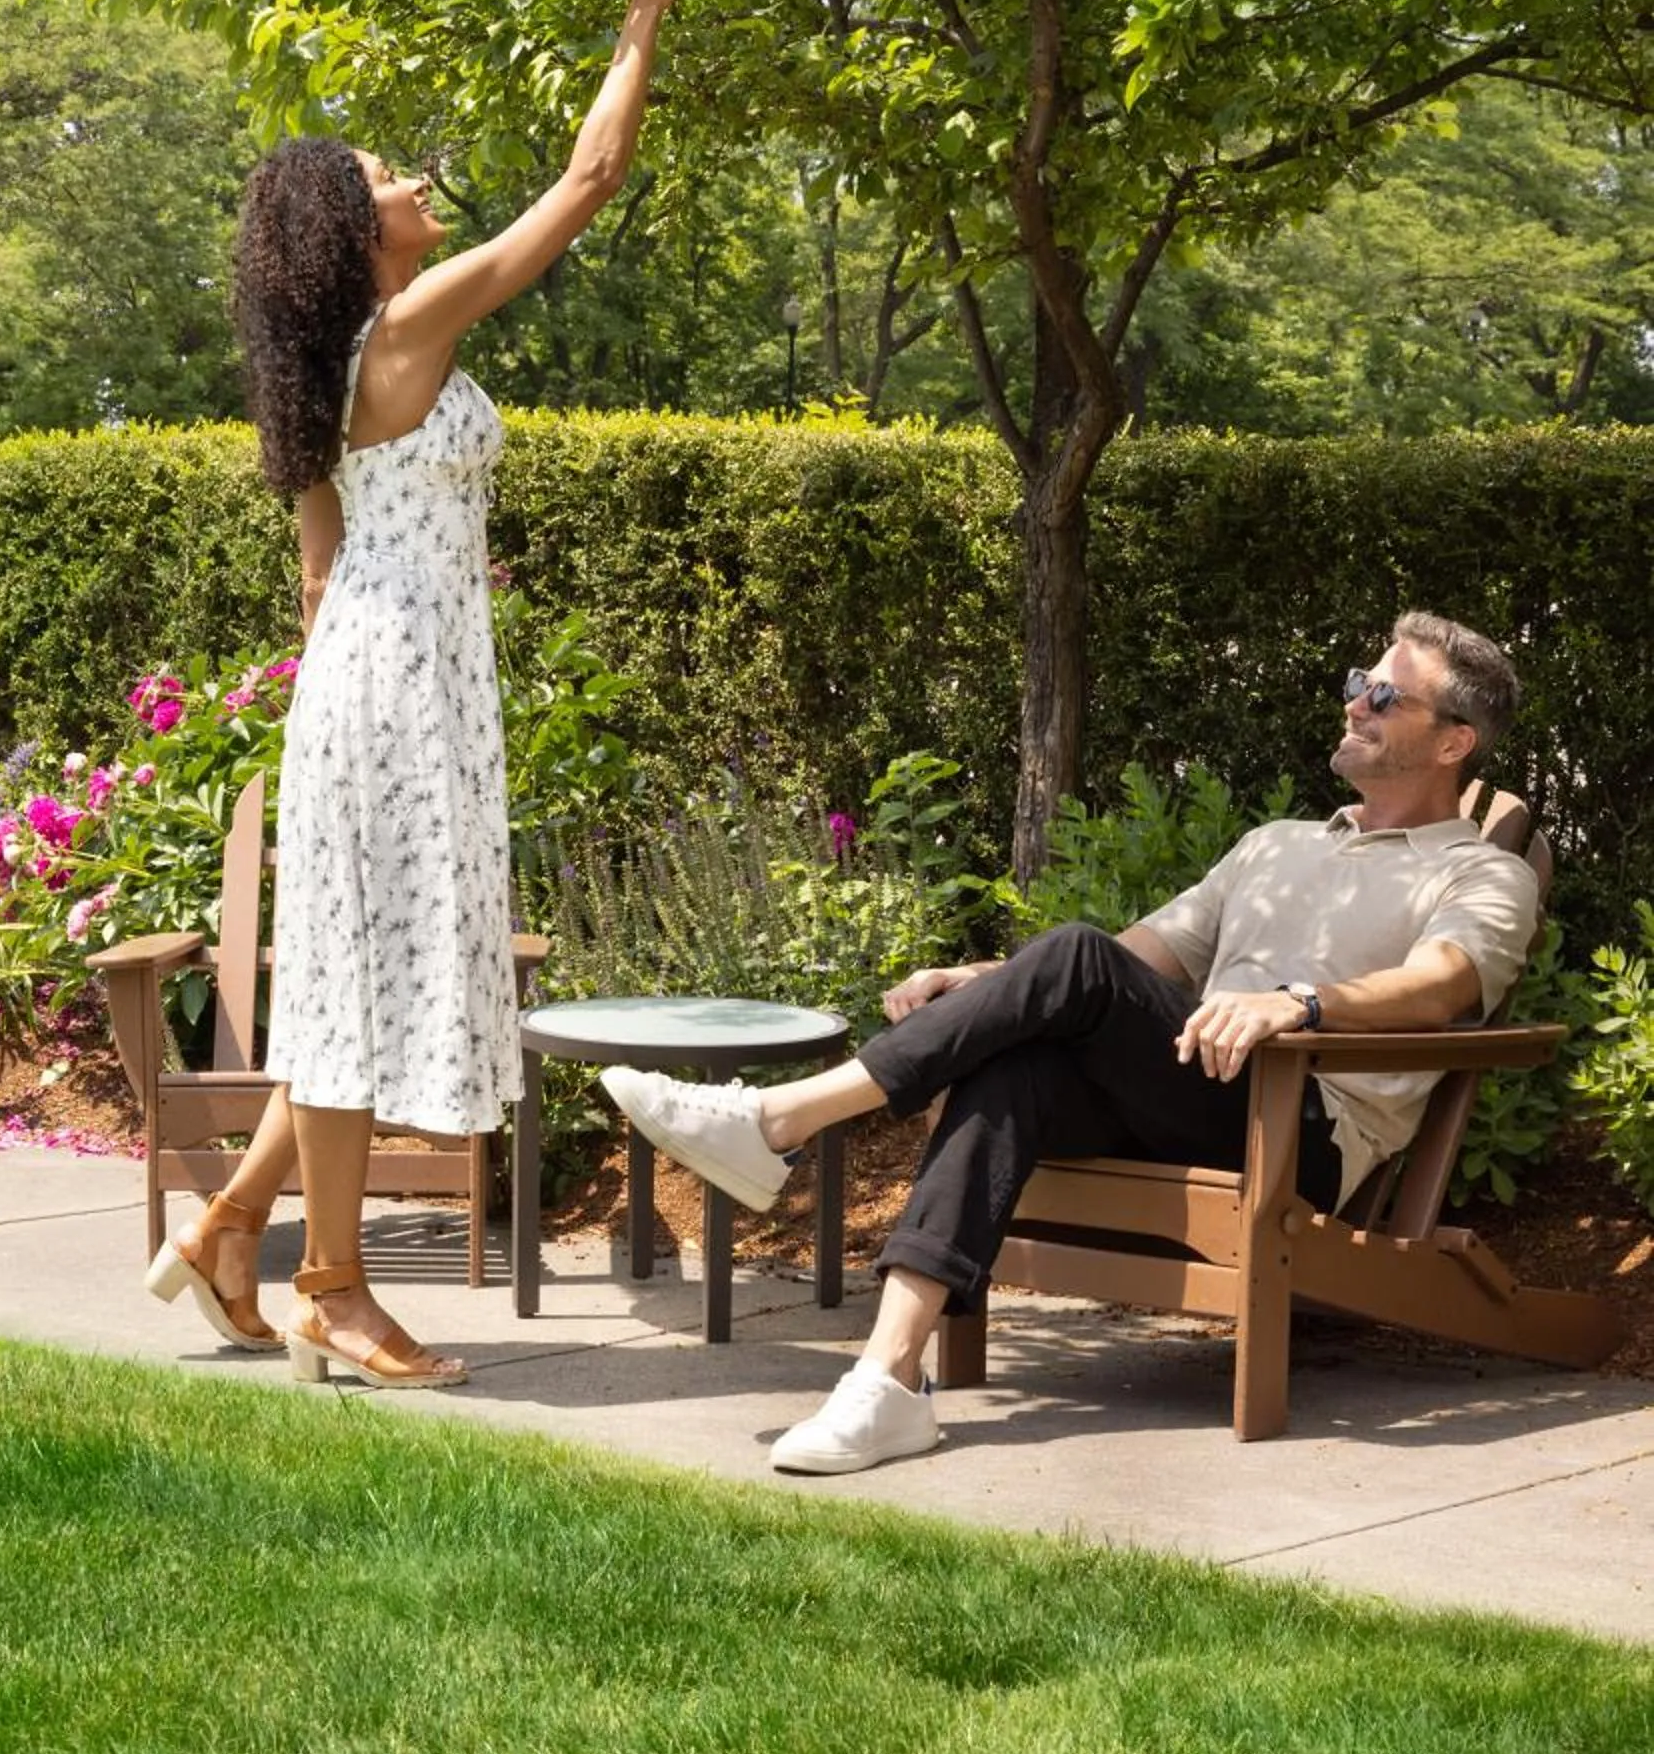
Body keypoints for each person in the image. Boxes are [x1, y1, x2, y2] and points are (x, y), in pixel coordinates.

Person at [143, 0, 695, 1388]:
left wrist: (379, 672)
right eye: (386, 179)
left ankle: (236, 1229)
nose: (413, 182)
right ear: (354, 234)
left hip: (368, 687)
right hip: (399, 694)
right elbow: (583, 188)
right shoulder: (407, 331)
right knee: (362, 990)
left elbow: (319, 574)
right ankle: (330, 1285)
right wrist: (643, 16)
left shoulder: (320, 379)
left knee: (349, 984)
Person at [602, 611, 1540, 1468]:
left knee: (1075, 961)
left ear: (1453, 741)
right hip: (1192, 1086)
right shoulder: (1276, 845)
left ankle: (775, 1121)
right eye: (1355, 682)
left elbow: (1444, 980)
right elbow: (1140, 958)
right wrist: (987, 985)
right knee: (1022, 1068)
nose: (1356, 704)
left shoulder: (1482, 873)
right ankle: (886, 1382)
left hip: (1301, 1130)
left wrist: (1298, 1004)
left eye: (1385, 695)